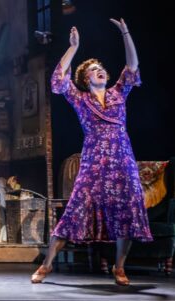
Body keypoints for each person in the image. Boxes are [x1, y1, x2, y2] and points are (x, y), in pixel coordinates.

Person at [31, 19, 152, 286]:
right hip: (94, 162)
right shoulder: (81, 98)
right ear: (86, 78)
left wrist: (125, 32)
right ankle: (46, 264)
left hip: (122, 159)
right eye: (94, 70)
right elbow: (57, 80)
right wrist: (73, 48)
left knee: (126, 211)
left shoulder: (119, 93)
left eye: (102, 69)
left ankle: (119, 268)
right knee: (75, 208)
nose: (100, 71)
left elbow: (132, 66)